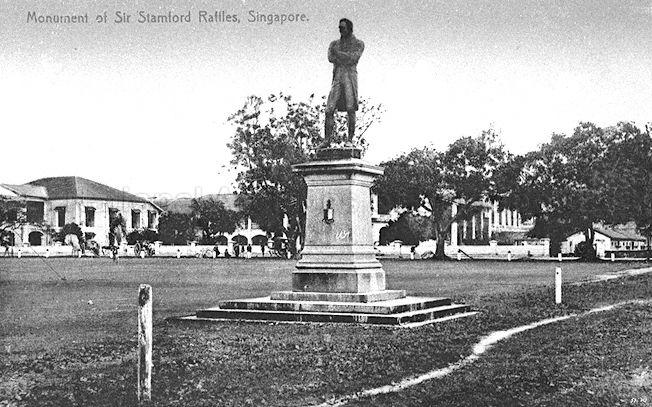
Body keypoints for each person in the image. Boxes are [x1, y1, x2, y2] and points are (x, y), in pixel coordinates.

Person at [323, 18, 365, 146]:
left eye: (343, 28)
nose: (340, 30)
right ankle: (326, 140)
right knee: (329, 110)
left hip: (350, 77)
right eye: (339, 28)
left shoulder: (358, 43)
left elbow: (353, 58)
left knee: (350, 108)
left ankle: (349, 140)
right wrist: (344, 56)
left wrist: (339, 55)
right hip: (338, 77)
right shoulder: (334, 44)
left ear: (349, 29)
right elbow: (331, 58)